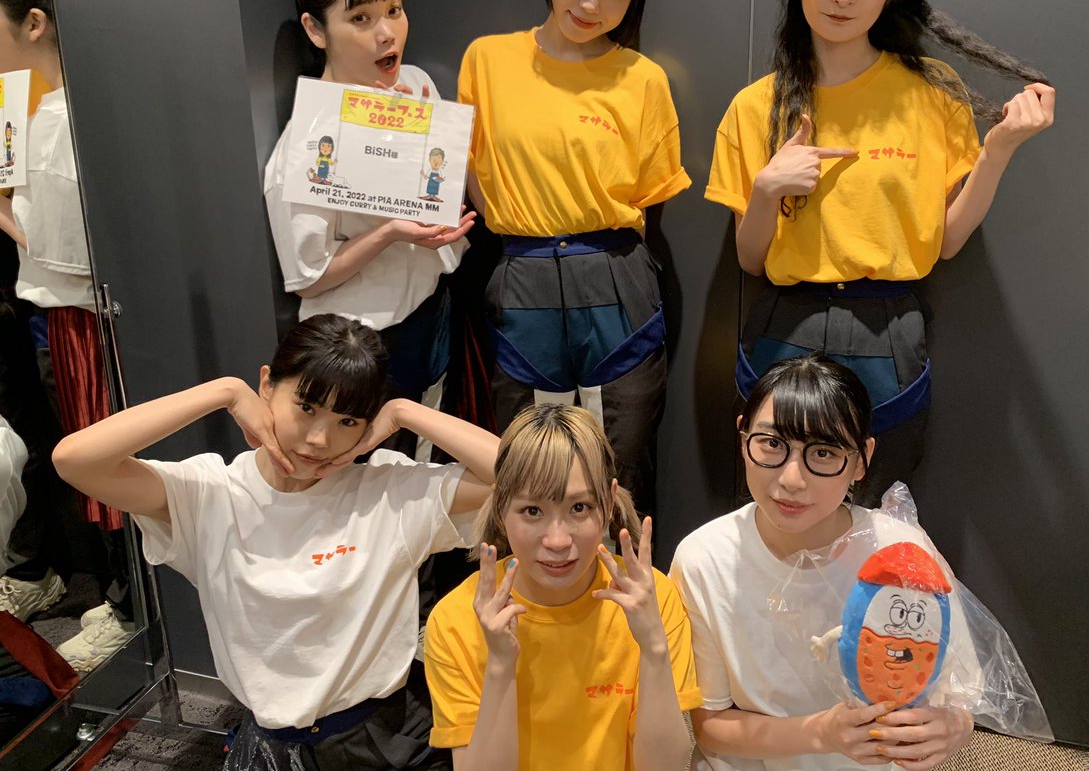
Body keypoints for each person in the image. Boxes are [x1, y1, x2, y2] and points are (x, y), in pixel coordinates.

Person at [706, 0, 1056, 505]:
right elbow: (751, 259)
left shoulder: (933, 92)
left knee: (879, 517)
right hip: (785, 328)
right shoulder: (754, 107)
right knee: (781, 509)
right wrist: (767, 190)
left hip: (888, 332)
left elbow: (946, 243)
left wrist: (998, 150)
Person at [53, 313, 500, 770]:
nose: (319, 439)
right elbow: (75, 460)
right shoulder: (210, 492)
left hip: (382, 738)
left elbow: (527, 477)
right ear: (266, 385)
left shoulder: (390, 489)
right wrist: (224, 391)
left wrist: (405, 412)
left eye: (348, 420)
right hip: (268, 741)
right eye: (306, 407)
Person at [458, 0, 690, 512]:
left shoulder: (643, 79)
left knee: (625, 464)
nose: (591, 4)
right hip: (521, 281)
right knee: (526, 468)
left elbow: (648, 201)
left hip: (616, 281)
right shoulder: (487, 59)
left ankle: (628, 576)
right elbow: (471, 167)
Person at [670, 355, 973, 770]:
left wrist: (952, 727)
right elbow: (710, 726)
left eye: (824, 452)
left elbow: (959, 695)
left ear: (862, 459)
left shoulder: (900, 551)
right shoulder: (704, 559)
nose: (791, 479)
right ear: (743, 439)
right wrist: (820, 733)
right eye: (771, 444)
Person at [264, 0, 476, 460]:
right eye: (360, 18)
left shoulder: (417, 85)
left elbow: (440, 185)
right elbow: (310, 276)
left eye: (394, 10)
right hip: (360, 343)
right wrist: (390, 233)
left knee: (424, 468)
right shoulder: (307, 144)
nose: (386, 33)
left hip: (431, 312)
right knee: (365, 477)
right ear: (316, 30)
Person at [423, 403, 700, 770]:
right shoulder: (456, 621)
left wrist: (654, 649)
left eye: (579, 508)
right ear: (500, 507)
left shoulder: (652, 601)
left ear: (608, 501)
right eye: (532, 511)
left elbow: (665, 767)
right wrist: (501, 665)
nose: (557, 540)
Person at [0, 0, 132, 671]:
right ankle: (121, 599)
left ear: (35, 22)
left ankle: (129, 608)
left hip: (82, 321)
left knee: (103, 465)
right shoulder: (56, 110)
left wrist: (7, 216)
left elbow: (62, 253)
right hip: (74, 316)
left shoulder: (58, 122)